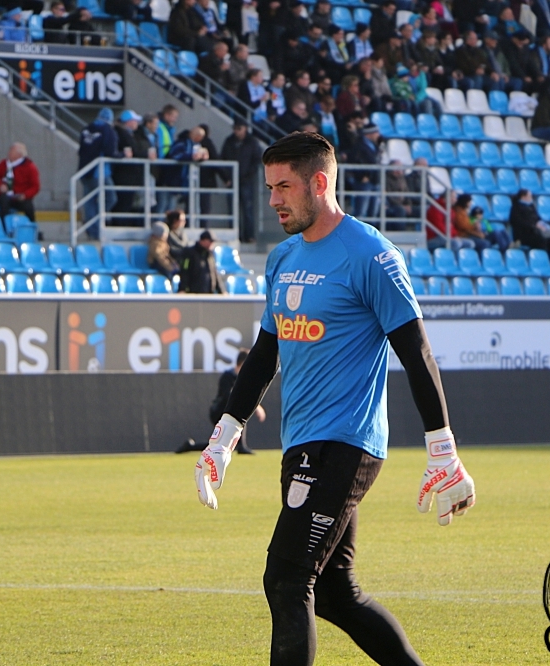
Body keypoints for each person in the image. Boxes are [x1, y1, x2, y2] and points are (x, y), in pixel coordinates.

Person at [193, 131, 474, 666]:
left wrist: (443, 449)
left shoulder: (372, 255)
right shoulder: (282, 258)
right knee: (334, 592)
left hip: (346, 443)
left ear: (319, 183)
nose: (273, 199)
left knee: (287, 576)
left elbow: (417, 353)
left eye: (283, 186)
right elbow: (265, 353)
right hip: (301, 446)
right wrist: (224, 436)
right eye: (270, 186)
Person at [177, 348, 265, 454]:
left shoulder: (243, 378)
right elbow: (228, 396)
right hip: (219, 412)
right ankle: (241, 447)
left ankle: (191, 446)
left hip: (229, 412)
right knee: (239, 414)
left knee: (219, 445)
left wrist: (257, 406)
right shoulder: (227, 377)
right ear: (242, 364)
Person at [77, 107, 121, 238]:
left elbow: (81, 150)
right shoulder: (108, 130)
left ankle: (92, 230)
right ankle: (95, 224)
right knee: (111, 198)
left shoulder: (87, 128)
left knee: (90, 202)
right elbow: (110, 152)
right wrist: (123, 154)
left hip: (84, 171)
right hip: (100, 172)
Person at [221, 120, 263, 243]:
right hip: (231, 181)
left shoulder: (252, 142)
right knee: (232, 210)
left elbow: (257, 160)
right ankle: (235, 236)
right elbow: (223, 159)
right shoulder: (229, 141)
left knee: (247, 210)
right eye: (235, 128)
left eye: (238, 128)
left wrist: (248, 175)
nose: (236, 131)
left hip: (246, 181)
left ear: (245, 128)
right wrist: (226, 178)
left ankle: (249, 236)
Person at [0, 142, 40, 223]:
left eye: (11, 151)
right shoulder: (4, 163)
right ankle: (3, 228)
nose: (9, 153)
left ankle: (32, 227)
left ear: (19, 155)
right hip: (5, 195)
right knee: (4, 202)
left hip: (19, 196)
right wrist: (0, 185)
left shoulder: (30, 167)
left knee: (28, 206)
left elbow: (35, 187)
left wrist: (25, 195)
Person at [110, 110, 144, 220]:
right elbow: (133, 151)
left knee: (125, 204)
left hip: (127, 176)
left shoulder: (124, 133)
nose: (137, 124)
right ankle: (117, 228)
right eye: (135, 121)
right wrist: (146, 154)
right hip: (125, 177)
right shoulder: (122, 134)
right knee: (123, 204)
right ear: (128, 122)